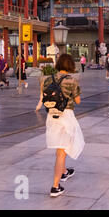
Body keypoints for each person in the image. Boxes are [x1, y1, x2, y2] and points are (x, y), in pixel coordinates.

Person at [44, 54, 85, 198]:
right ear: (70, 66)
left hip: (51, 116)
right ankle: (55, 186)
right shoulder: (71, 80)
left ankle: (64, 171)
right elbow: (78, 101)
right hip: (66, 116)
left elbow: (44, 97)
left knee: (60, 148)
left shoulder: (48, 79)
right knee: (62, 152)